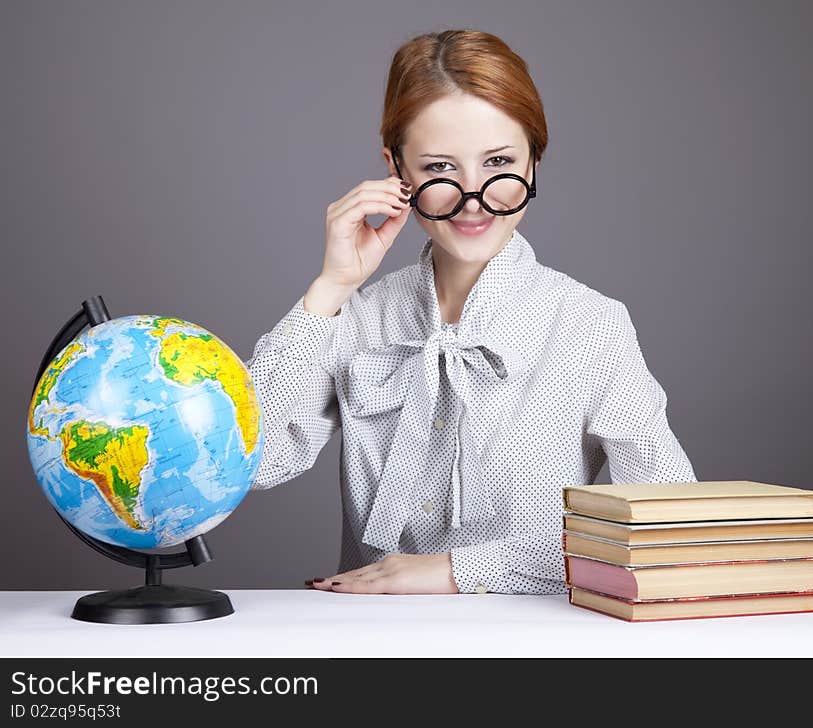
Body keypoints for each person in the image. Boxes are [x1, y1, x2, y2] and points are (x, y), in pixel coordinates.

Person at [245, 28, 697, 596]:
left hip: (535, 650)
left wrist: (461, 571)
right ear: (397, 170)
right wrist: (330, 288)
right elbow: (251, 461)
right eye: (439, 169)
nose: (475, 197)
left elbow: (669, 526)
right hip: (372, 646)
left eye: (500, 162)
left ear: (534, 160)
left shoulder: (589, 325)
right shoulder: (359, 319)